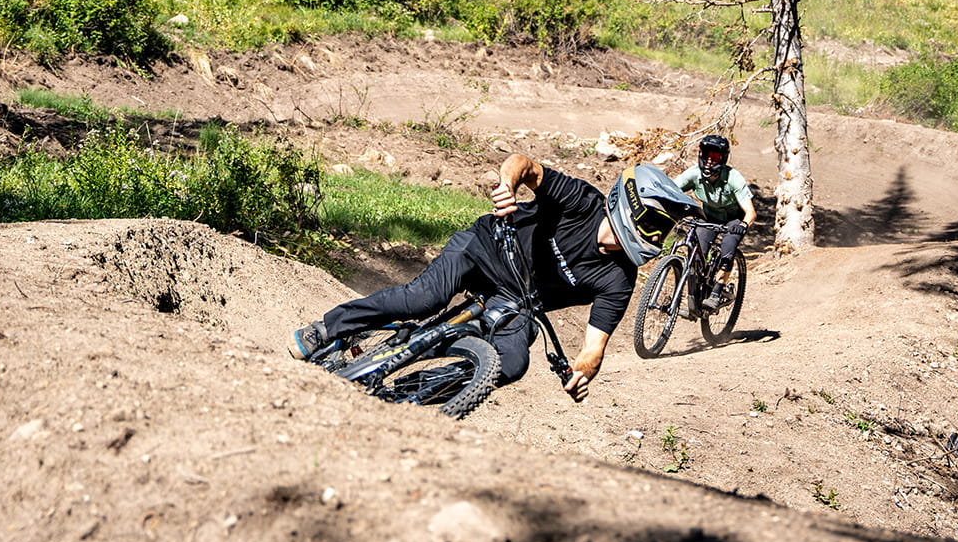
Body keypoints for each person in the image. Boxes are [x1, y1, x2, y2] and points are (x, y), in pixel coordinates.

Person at [289, 153, 694, 401]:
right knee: (422, 300)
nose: (619, 248)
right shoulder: (583, 201)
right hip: (484, 249)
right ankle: (325, 330)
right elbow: (525, 165)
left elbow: (594, 349)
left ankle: (406, 396)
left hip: (517, 301)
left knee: (513, 362)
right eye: (624, 236)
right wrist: (507, 185)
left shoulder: (619, 279)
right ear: (627, 206)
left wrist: (580, 374)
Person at [673, 134, 754, 310]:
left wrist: (743, 225)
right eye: (706, 155)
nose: (709, 161)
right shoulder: (694, 173)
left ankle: (718, 291)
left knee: (727, 249)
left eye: (715, 156)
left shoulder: (733, 178)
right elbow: (671, 190)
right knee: (696, 253)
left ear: (723, 158)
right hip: (709, 217)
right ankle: (694, 297)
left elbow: (750, 212)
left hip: (734, 220)